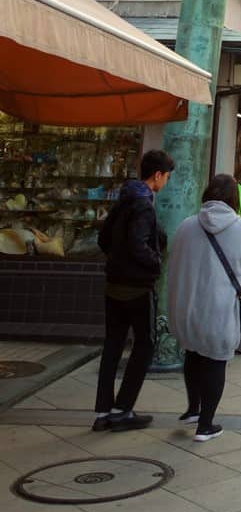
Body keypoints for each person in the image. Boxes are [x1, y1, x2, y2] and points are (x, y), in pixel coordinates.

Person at [167, 173, 241, 442]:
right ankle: (205, 425)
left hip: (188, 306)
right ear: (233, 199)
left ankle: (192, 409)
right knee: (216, 362)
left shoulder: (186, 225)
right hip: (219, 308)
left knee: (193, 353)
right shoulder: (240, 228)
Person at [92, 148, 173, 432]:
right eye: (167, 176)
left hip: (113, 285)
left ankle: (103, 412)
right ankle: (122, 409)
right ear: (158, 175)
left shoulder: (124, 198)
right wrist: (155, 263)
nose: (166, 182)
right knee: (145, 345)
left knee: (113, 345)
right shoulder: (143, 204)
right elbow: (138, 244)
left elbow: (103, 238)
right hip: (137, 288)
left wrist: (117, 260)